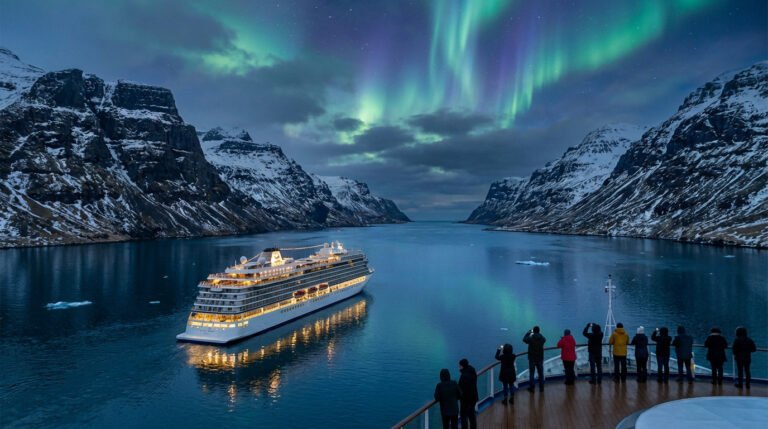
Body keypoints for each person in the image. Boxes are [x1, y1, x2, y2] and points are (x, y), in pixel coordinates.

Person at [523, 326, 546, 392]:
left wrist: (528, 333)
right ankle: (541, 388)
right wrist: (539, 334)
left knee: (532, 374)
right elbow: (544, 339)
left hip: (532, 359)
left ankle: (532, 388)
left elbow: (524, 339)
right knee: (541, 374)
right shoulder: (541, 338)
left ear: (534, 331)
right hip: (540, 359)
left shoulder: (531, 338)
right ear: (539, 331)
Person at [458, 358, 478, 429]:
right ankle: (473, 427)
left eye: (459, 366)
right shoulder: (472, 370)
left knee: (463, 415)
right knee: (471, 414)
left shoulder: (464, 376)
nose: (459, 367)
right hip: (474, 397)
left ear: (462, 366)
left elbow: (461, 388)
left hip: (466, 400)